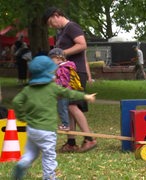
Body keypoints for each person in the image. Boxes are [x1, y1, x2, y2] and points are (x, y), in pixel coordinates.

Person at [11, 55, 96, 180]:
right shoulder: (52, 88)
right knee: (49, 156)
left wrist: (22, 117)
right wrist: (85, 96)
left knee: (31, 152)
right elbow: (69, 93)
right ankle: (50, 177)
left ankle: (22, 163)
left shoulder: (28, 90)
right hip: (47, 131)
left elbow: (16, 102)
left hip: (32, 129)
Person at [44, 6, 97, 152]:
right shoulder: (62, 32)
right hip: (66, 73)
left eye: (50, 22)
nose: (50, 26)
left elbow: (82, 45)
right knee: (67, 107)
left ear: (56, 15)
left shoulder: (72, 27)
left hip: (75, 73)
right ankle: (71, 142)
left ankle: (89, 139)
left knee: (72, 105)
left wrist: (61, 53)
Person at [49, 48, 81, 131]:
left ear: (58, 59)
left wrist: (54, 80)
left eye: (52, 61)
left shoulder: (62, 68)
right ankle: (65, 124)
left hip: (64, 91)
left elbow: (63, 81)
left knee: (62, 108)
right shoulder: (67, 66)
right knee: (62, 108)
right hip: (67, 91)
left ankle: (65, 125)